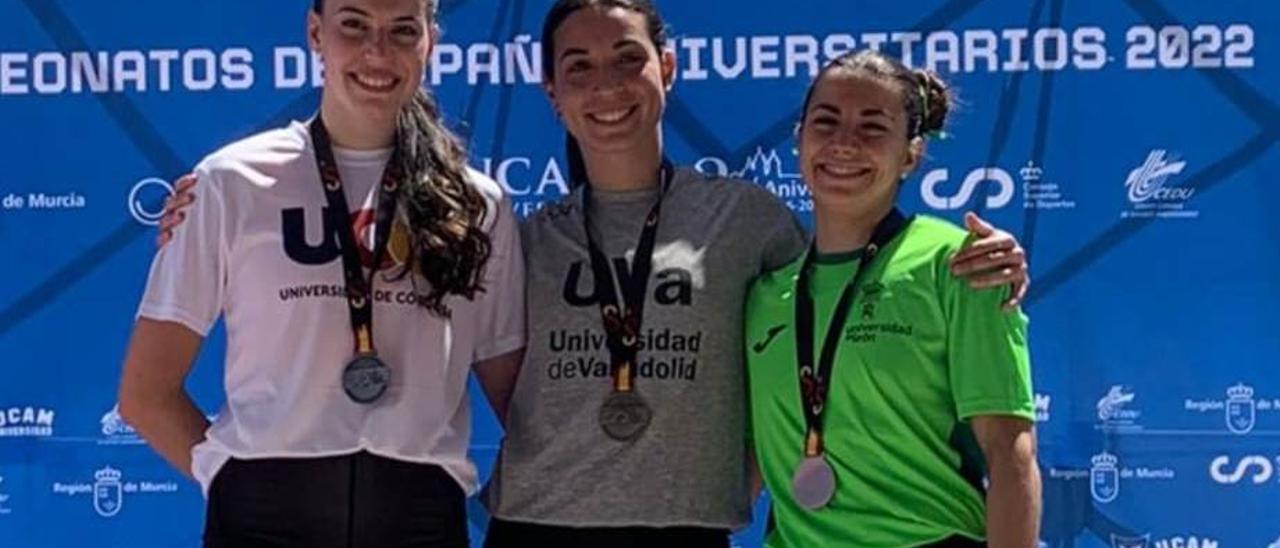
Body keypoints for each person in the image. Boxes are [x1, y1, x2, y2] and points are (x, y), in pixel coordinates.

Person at [156, 2, 1030, 545]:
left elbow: (843, 286)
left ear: (667, 72)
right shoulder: (504, 227)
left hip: (685, 531)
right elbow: (488, 372)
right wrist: (218, 198)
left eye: (627, 60)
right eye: (578, 66)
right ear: (549, 93)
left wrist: (988, 264)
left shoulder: (749, 223)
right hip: (534, 528)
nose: (606, 86)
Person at [118, 0, 525, 546]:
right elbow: (146, 393)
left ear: (430, 41)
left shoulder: (478, 205)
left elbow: (520, 404)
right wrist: (234, 482)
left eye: (403, 30)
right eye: (353, 25)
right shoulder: (230, 183)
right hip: (261, 518)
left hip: (421, 518)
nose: (377, 51)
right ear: (316, 33)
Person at [744, 49, 1041, 548]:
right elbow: (748, 468)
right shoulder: (764, 295)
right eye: (827, 120)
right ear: (798, 140)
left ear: (911, 155)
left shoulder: (960, 263)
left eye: (873, 127)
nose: (844, 143)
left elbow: (1011, 454)